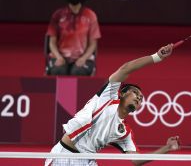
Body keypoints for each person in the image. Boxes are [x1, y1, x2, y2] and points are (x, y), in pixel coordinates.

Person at [45, 43, 180, 166]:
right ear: (121, 93)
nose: (139, 97)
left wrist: (167, 148)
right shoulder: (108, 97)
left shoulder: (124, 132)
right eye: (135, 93)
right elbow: (126, 69)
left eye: (141, 98)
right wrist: (157, 57)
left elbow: (136, 160)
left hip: (87, 161)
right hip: (64, 155)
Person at [46, 0, 101, 76]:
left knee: (78, 72)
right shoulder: (58, 15)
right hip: (60, 56)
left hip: (83, 57)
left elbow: (93, 44)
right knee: (58, 71)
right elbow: (51, 42)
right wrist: (58, 57)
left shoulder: (90, 15)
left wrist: (83, 58)